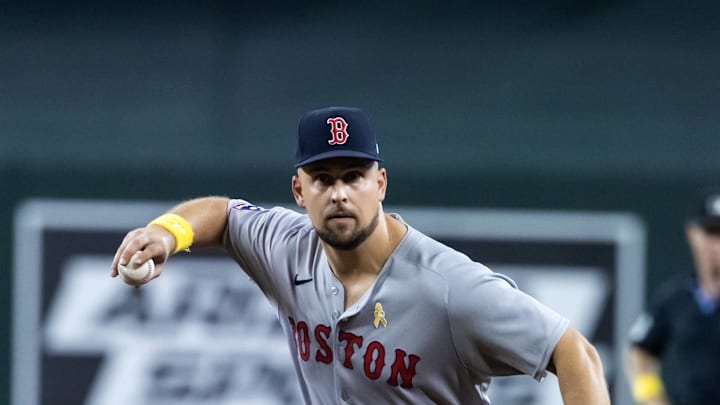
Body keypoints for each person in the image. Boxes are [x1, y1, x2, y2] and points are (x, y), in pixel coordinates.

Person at [111, 106, 609, 404]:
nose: (340, 193)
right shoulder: (288, 247)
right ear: (299, 191)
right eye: (323, 179)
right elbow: (222, 214)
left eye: (354, 176)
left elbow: (575, 353)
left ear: (380, 183)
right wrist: (167, 232)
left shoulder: (448, 288)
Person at [625, 189, 720, 405]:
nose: (717, 244)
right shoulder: (675, 298)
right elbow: (640, 351)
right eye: (711, 232)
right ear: (693, 234)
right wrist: (650, 397)